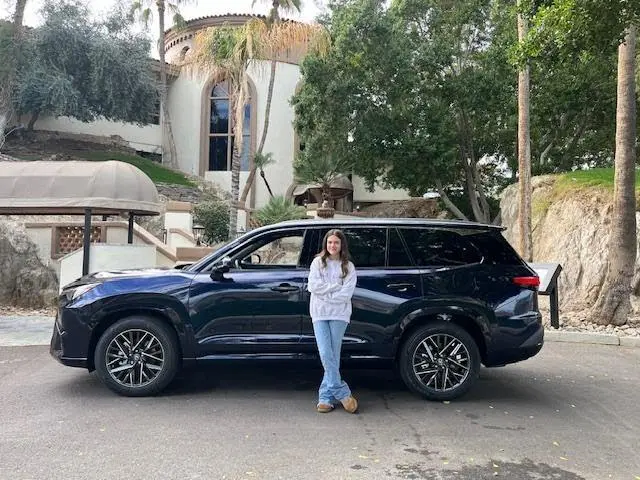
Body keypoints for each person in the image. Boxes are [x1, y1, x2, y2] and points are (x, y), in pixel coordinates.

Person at [307, 229, 358, 414]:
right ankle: (342, 392)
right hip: (319, 313)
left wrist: (326, 294)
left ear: (341, 245)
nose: (332, 246)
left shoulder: (349, 267)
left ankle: (325, 398)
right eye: (330, 242)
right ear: (325, 244)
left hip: (339, 315)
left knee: (333, 355)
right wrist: (335, 287)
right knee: (325, 352)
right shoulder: (317, 263)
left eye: (336, 242)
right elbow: (313, 286)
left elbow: (346, 294)